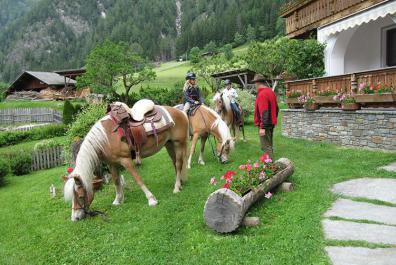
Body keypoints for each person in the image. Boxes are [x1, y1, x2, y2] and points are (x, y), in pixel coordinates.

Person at [253, 74, 279, 159]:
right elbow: (277, 108)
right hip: (271, 122)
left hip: (265, 124)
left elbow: (264, 111)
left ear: (257, 83)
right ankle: (270, 164)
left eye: (255, 84)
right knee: (269, 144)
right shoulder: (271, 92)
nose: (255, 86)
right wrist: (273, 119)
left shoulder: (262, 94)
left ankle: (271, 167)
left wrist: (262, 127)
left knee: (265, 147)